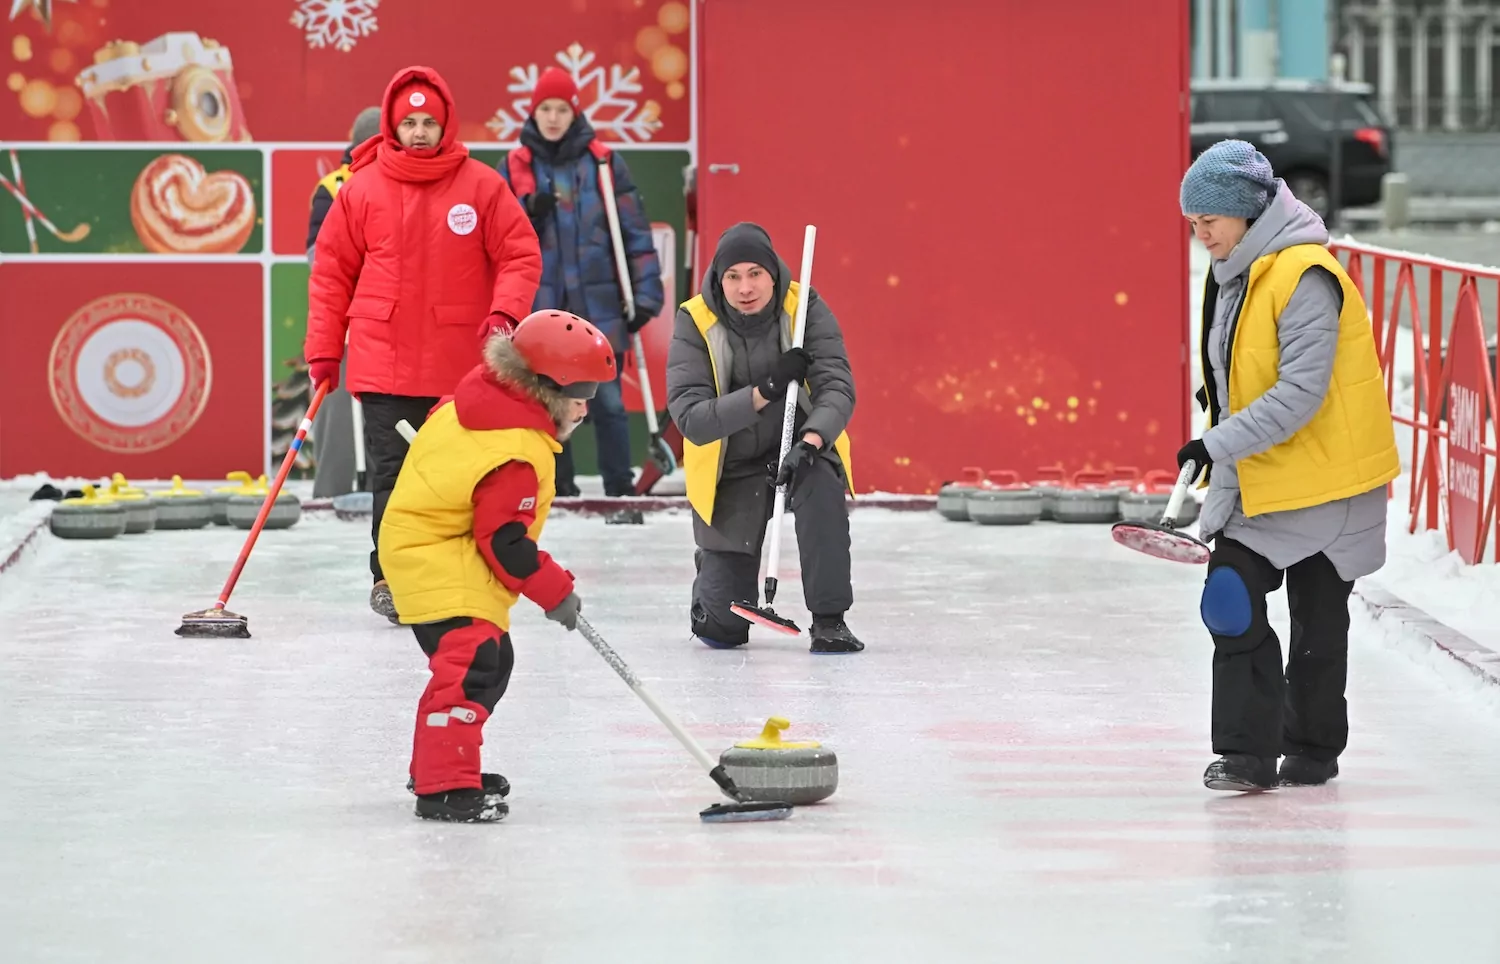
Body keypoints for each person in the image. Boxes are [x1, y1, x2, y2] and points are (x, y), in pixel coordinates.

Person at [1178, 139, 1398, 792]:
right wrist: (1214, 426)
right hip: (1264, 481)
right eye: (1193, 224)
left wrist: (1215, 444)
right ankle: (1246, 755)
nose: (1201, 235)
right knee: (1229, 599)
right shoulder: (1235, 278)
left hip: (1332, 485)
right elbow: (1237, 381)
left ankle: (1311, 743)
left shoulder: (1306, 275)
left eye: (1209, 220)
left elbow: (1300, 393)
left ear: (1245, 212)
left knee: (1318, 626)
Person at [305, 66, 542, 622]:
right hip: (382, 363)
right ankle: (390, 578)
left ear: (446, 126)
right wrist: (324, 349)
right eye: (408, 122)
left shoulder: (481, 186)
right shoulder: (360, 189)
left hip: (461, 369)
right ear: (392, 125)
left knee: (459, 478)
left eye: (427, 122)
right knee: (391, 478)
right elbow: (331, 273)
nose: (417, 132)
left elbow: (520, 253)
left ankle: (457, 572)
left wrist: (505, 313)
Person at [379, 310, 614, 822]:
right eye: (582, 398)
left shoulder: (484, 400)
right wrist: (556, 592)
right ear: (549, 387)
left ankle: (444, 763)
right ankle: (444, 787)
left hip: (436, 544)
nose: (585, 411)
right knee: (472, 667)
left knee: (489, 662)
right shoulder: (517, 451)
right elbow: (506, 543)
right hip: (436, 556)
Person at [665, 223, 862, 654]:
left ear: (774, 274)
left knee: (822, 487)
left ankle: (830, 619)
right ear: (719, 280)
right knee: (721, 631)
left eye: (755, 273)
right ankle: (715, 570)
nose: (745, 287)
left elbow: (837, 387)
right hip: (731, 469)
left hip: (798, 448)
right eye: (732, 276)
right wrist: (765, 391)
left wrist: (811, 441)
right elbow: (691, 418)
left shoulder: (804, 307)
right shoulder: (694, 320)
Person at [500, 67, 664, 508]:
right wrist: (527, 210)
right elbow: (498, 238)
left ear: (574, 112)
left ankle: (619, 491)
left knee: (607, 399)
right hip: (543, 307)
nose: (553, 118)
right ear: (533, 113)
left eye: (561, 109)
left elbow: (634, 232)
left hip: (599, 305)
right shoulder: (516, 167)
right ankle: (558, 490)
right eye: (544, 109)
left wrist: (646, 295)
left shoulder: (603, 164)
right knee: (548, 402)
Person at [306, 104, 380, 500]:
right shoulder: (334, 187)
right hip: (346, 311)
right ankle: (329, 492)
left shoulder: (404, 185)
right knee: (336, 406)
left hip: (388, 316)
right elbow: (316, 254)